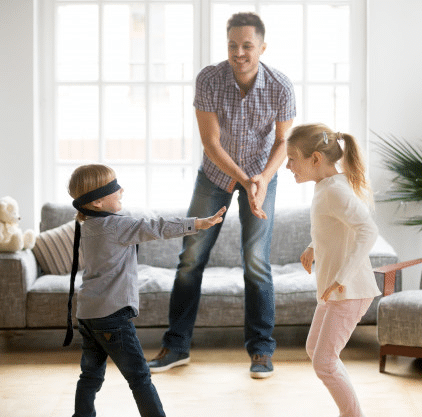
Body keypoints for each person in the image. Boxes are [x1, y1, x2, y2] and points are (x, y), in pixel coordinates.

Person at [148, 11, 296, 378]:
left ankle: (261, 351)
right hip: (214, 177)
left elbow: (284, 141)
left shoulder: (281, 85)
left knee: (256, 261)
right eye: (233, 45)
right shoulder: (210, 79)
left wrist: (259, 179)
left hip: (262, 177)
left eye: (248, 45)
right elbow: (211, 143)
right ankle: (176, 346)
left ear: (262, 46)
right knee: (190, 258)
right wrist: (242, 180)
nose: (239, 52)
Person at [66, 164, 225, 417]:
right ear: (96, 202)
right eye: (113, 187)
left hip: (87, 314)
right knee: (139, 377)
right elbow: (157, 227)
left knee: (90, 375)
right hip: (112, 316)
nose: (121, 189)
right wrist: (198, 223)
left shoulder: (88, 227)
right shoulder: (117, 226)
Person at [286, 124, 381, 417]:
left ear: (315, 159)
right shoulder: (328, 186)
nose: (287, 166)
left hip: (349, 290)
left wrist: (342, 277)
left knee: (324, 361)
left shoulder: (334, 191)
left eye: (292, 159)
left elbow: (368, 230)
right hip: (338, 290)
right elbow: (335, 226)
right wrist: (314, 245)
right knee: (316, 350)